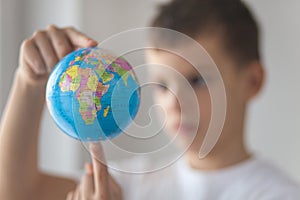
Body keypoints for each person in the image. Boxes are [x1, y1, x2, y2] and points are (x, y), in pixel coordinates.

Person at [0, 0, 299, 199]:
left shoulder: (276, 194)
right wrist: (30, 81)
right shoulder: (130, 184)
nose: (174, 102)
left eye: (195, 80)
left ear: (252, 81)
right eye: (161, 85)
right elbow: (16, 190)